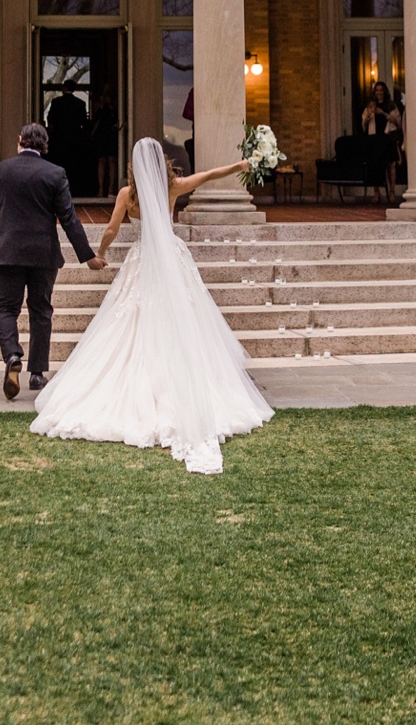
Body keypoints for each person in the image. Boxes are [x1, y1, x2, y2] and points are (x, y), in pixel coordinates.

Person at [32, 138, 274, 474]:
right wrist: (239, 166)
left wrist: (99, 254)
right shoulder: (172, 187)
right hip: (172, 261)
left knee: (131, 319)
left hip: (142, 259)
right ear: (161, 161)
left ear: (133, 165)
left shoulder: (126, 195)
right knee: (183, 318)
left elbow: (111, 229)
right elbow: (209, 175)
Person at [0, 123, 107, 400]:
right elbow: (69, 218)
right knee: (41, 310)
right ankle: (36, 373)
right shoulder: (55, 174)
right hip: (43, 254)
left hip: (6, 253)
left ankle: (12, 356)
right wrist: (88, 256)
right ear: (45, 145)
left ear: (20, 140)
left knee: (5, 309)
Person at [361, 81, 404, 202]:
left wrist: (384, 114)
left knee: (391, 164)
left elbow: (397, 121)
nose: (379, 92)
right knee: (375, 164)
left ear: (384, 91)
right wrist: (367, 119)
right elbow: (364, 122)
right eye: (377, 90)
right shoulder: (371, 105)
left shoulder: (390, 105)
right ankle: (376, 191)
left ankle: (392, 191)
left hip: (387, 137)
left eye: (381, 90)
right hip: (375, 138)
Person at [91, 87, 121, 196]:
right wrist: (101, 106)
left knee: (112, 161)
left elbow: (118, 117)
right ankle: (101, 189)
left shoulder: (116, 105)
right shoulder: (99, 105)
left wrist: (111, 105)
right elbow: (95, 118)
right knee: (101, 161)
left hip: (112, 134)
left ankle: (111, 188)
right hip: (101, 135)